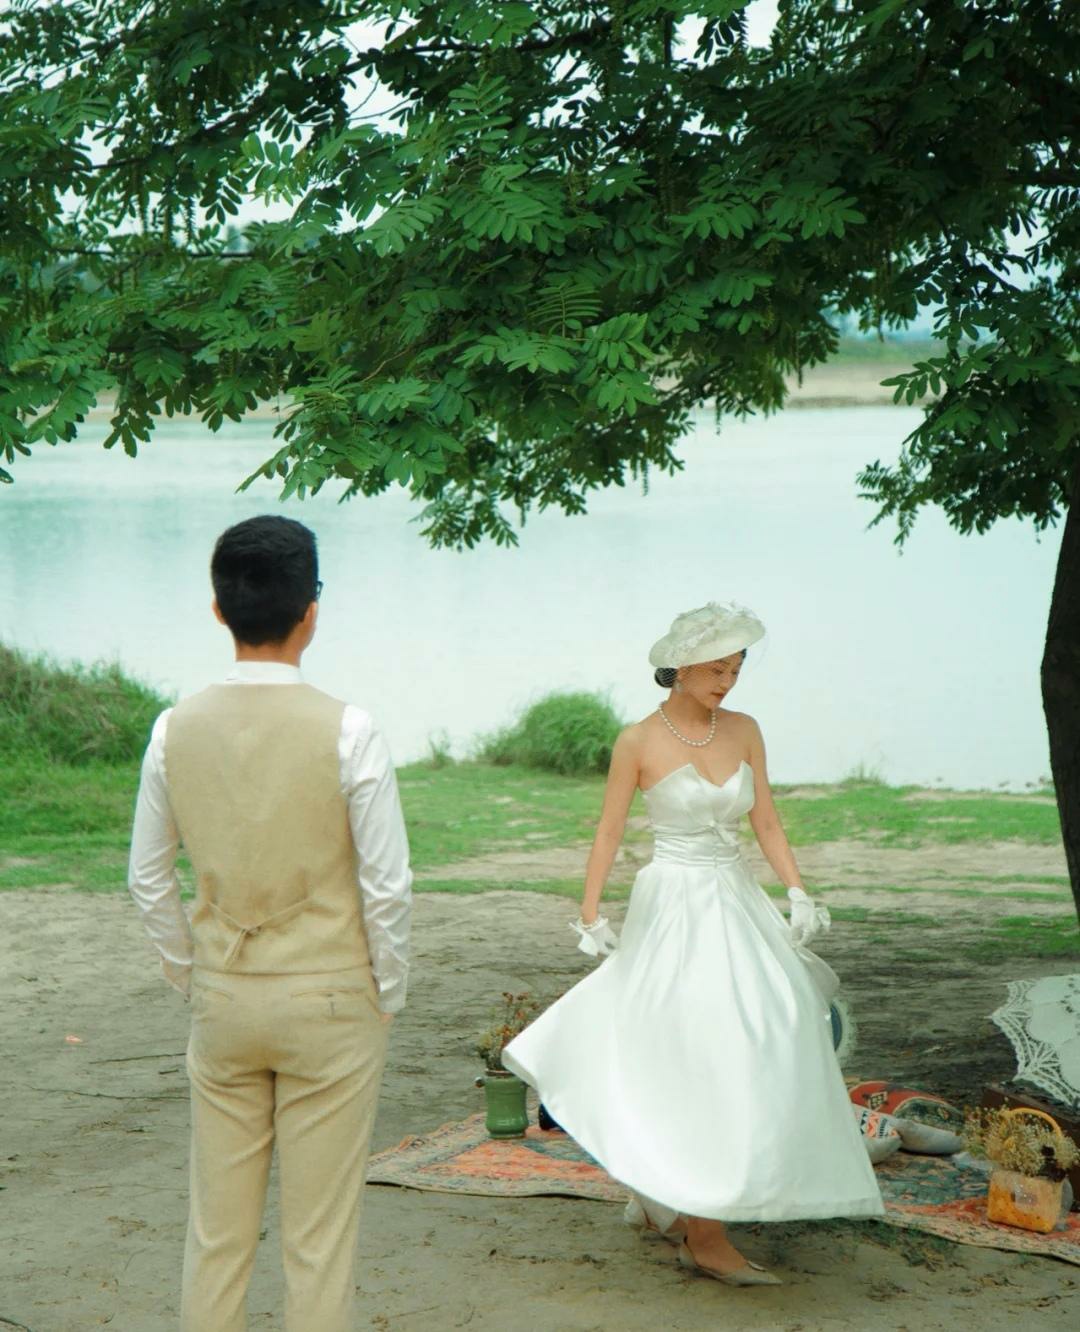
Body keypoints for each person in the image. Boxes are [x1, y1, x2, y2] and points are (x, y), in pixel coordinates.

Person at [502, 601, 883, 1287]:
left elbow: (767, 821)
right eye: (716, 670)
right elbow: (610, 830)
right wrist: (589, 913)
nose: (727, 683)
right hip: (673, 903)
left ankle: (694, 1196)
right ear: (680, 668)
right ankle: (702, 1232)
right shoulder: (637, 741)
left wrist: (798, 891)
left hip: (734, 898)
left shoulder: (745, 730)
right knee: (688, 1045)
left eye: (736, 670)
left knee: (773, 1025)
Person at [127, 514, 413, 1332]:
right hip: (331, 996)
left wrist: (190, 971)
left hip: (224, 995)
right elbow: (387, 885)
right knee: (318, 1241)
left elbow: (148, 877)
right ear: (311, 611)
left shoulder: (173, 728)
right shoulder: (350, 729)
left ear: (219, 610)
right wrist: (387, 988)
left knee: (216, 1236)